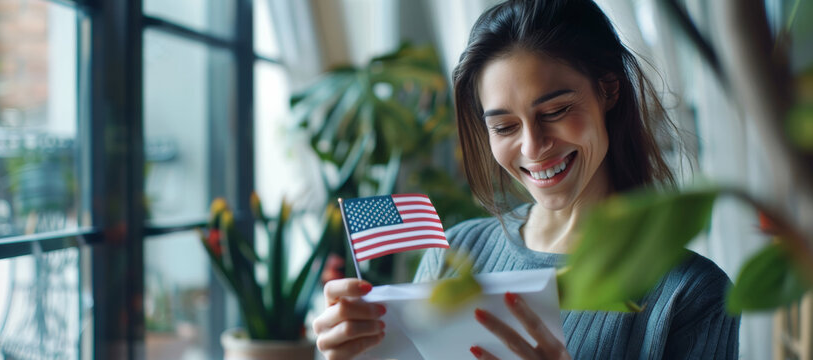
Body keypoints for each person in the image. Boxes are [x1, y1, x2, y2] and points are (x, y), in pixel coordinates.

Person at [312, 0, 740, 358]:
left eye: (554, 112)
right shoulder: (454, 255)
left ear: (608, 90)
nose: (533, 148)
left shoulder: (690, 296)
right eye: (504, 127)